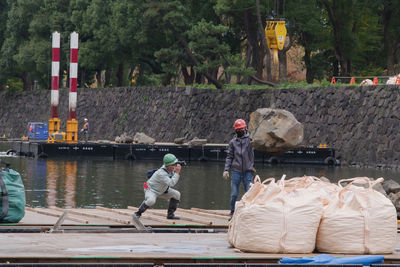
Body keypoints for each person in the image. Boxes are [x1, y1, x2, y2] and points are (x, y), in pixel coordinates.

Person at [223, 119, 255, 220]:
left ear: (245, 129)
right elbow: (229, 156)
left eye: (241, 129)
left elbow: (258, 143)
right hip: (236, 171)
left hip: (248, 171)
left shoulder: (250, 141)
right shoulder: (233, 142)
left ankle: (248, 213)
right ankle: (233, 212)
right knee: (234, 194)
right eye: (238, 129)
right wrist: (226, 169)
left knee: (249, 193)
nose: (240, 131)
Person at [135, 153, 182, 220]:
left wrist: (175, 170)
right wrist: (177, 173)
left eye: (175, 165)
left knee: (177, 194)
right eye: (173, 165)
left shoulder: (170, 170)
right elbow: (171, 183)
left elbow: (171, 176)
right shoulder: (161, 173)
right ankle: (137, 213)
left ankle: (170, 215)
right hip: (151, 190)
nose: (174, 167)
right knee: (151, 201)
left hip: (162, 190)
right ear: (167, 166)